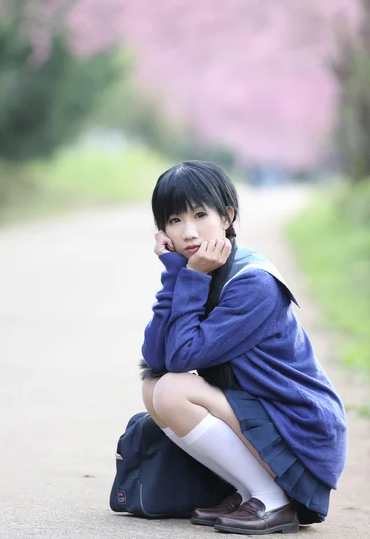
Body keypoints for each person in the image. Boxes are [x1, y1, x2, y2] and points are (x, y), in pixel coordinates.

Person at [140, 160, 347, 535]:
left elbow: (182, 357)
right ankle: (249, 489)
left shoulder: (253, 283)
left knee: (173, 390)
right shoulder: (196, 270)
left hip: (300, 430)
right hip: (260, 414)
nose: (188, 232)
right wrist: (174, 273)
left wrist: (190, 278)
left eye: (200, 214)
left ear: (227, 216)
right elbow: (157, 359)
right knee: (154, 387)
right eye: (174, 220)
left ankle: (274, 499)